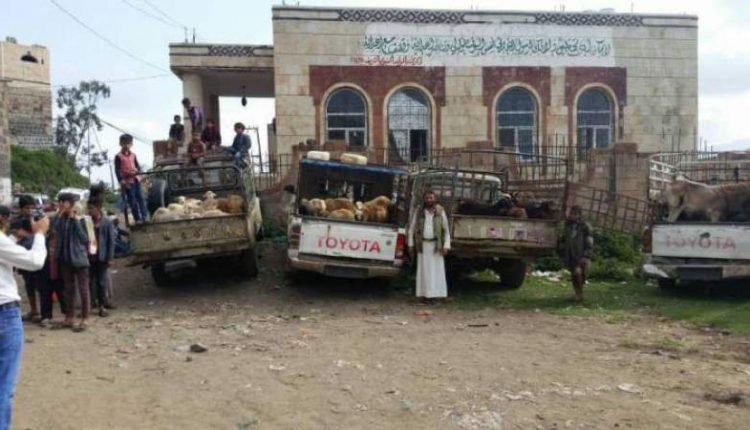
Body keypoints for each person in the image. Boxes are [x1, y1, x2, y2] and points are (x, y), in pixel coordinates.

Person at [0, 212, 49, 430]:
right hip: (4, 314)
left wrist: (14, 239)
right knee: (3, 387)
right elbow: (34, 261)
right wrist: (40, 234)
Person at [54, 193, 90, 332]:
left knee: (83, 289)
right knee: (69, 290)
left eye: (64, 202)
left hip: (79, 259)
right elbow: (53, 230)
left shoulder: (82, 219)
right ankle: (69, 317)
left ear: (71, 204)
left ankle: (85, 318)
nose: (61, 205)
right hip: (65, 259)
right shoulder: (60, 219)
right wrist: (59, 215)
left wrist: (75, 220)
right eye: (60, 202)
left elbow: (85, 238)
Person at [408, 190, 451, 301]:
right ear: (424, 199)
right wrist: (410, 244)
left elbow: (446, 231)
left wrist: (446, 245)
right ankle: (425, 295)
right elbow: (411, 229)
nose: (429, 200)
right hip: (423, 246)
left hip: (436, 246)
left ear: (435, 199)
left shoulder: (440, 211)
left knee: (436, 271)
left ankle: (436, 295)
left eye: (431, 198)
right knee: (424, 271)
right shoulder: (419, 211)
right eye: (427, 198)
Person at [87, 198, 116, 317]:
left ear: (98, 208)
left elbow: (111, 241)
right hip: (90, 257)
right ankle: (90, 305)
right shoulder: (88, 222)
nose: (89, 211)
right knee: (90, 282)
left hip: (102, 257)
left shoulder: (107, 222)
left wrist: (110, 258)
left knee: (101, 283)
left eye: (91, 208)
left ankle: (102, 306)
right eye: (88, 208)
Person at [14, 196, 41, 323]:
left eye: (32, 208)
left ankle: (43, 311)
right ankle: (33, 310)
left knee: (40, 284)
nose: (30, 210)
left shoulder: (38, 219)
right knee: (29, 284)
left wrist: (31, 221)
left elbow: (39, 233)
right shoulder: (16, 221)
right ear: (21, 209)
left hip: (37, 257)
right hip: (24, 257)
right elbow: (15, 234)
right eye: (27, 208)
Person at [559, 205, 594, 302]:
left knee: (578, 273)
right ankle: (577, 294)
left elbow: (589, 242)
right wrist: (562, 252)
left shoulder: (585, 226)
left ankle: (580, 294)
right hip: (571, 255)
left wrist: (586, 255)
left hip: (581, 256)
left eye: (575, 214)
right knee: (574, 275)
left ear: (579, 215)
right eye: (571, 213)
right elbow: (563, 239)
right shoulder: (568, 226)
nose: (572, 216)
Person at [114, 134, 148, 223]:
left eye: (128, 143)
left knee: (141, 198)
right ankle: (137, 219)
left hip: (136, 179)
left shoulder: (133, 155)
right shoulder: (118, 156)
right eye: (124, 143)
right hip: (127, 182)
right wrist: (121, 180)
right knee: (132, 201)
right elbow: (117, 170)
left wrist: (139, 173)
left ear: (131, 144)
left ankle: (144, 217)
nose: (126, 145)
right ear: (120, 144)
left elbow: (137, 166)